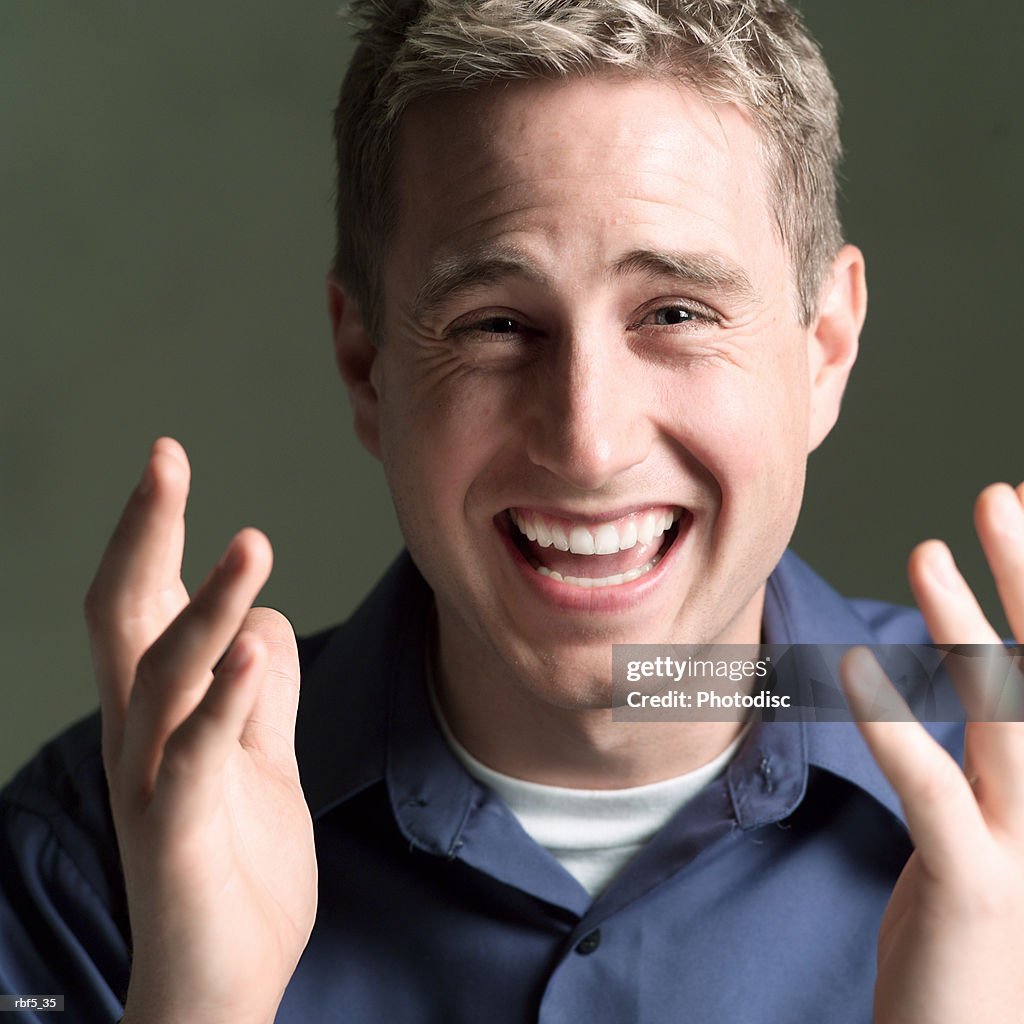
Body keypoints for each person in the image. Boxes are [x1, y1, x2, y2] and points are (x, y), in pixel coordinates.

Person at [2, 1, 1022, 1022]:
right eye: (494, 324)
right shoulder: (93, 853)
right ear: (368, 366)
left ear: (824, 348)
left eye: (674, 312)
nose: (588, 441)